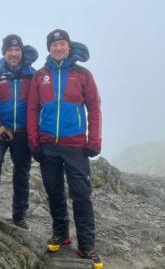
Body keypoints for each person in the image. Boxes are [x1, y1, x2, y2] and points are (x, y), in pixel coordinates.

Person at [27, 29, 103, 268]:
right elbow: (32, 110)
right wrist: (34, 141)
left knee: (81, 194)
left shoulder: (82, 75)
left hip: (76, 146)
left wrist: (95, 140)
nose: (58, 48)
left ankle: (87, 245)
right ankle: (61, 234)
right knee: (54, 191)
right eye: (54, 44)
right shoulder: (40, 76)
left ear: (68, 47)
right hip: (49, 144)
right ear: (49, 48)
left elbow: (94, 107)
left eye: (62, 44)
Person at [0, 34, 38, 229]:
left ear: (21, 52)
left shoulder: (33, 75)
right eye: (10, 50)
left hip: (23, 132)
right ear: (4, 53)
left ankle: (19, 215)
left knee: (22, 172)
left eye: (17, 50)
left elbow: (39, 105)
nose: (13, 54)